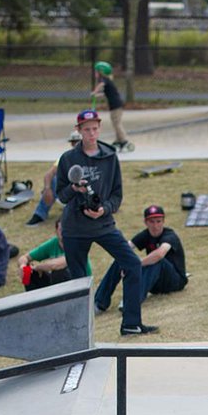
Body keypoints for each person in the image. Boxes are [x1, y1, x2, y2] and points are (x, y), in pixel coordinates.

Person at [56, 109, 156, 336]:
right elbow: (61, 196)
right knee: (79, 280)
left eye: (95, 128)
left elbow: (117, 195)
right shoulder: (68, 159)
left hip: (103, 224)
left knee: (131, 263)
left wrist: (104, 209)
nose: (91, 133)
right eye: (86, 129)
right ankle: (78, 333)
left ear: (99, 128)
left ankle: (131, 323)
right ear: (78, 130)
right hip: (74, 228)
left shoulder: (110, 156)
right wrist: (74, 188)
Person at [95, 205, 189, 312]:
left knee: (157, 260)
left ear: (163, 221)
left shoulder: (170, 235)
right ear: (146, 222)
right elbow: (124, 249)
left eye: (158, 221)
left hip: (174, 281)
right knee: (121, 259)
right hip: (154, 283)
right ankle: (99, 303)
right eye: (151, 222)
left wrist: (136, 265)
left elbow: (159, 254)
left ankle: (131, 302)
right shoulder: (145, 235)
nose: (155, 225)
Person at [26, 131, 82, 226]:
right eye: (74, 142)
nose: (75, 144)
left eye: (78, 141)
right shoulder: (66, 157)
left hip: (83, 191)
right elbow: (49, 174)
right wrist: (47, 189)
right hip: (69, 191)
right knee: (53, 180)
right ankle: (40, 214)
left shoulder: (90, 156)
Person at [17, 220, 83, 291]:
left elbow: (55, 265)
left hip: (78, 284)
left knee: (58, 272)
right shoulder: (53, 243)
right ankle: (31, 297)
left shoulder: (77, 245)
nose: (64, 232)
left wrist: (37, 267)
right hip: (56, 284)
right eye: (61, 230)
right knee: (27, 271)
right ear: (56, 232)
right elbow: (24, 257)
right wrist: (22, 266)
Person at [90, 61, 132, 152]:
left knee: (117, 124)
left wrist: (95, 91)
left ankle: (124, 141)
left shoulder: (104, 79)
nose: (95, 74)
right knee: (115, 123)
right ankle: (118, 140)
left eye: (96, 72)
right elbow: (106, 93)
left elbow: (101, 85)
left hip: (116, 105)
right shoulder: (107, 80)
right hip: (115, 105)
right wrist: (97, 95)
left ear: (101, 72)